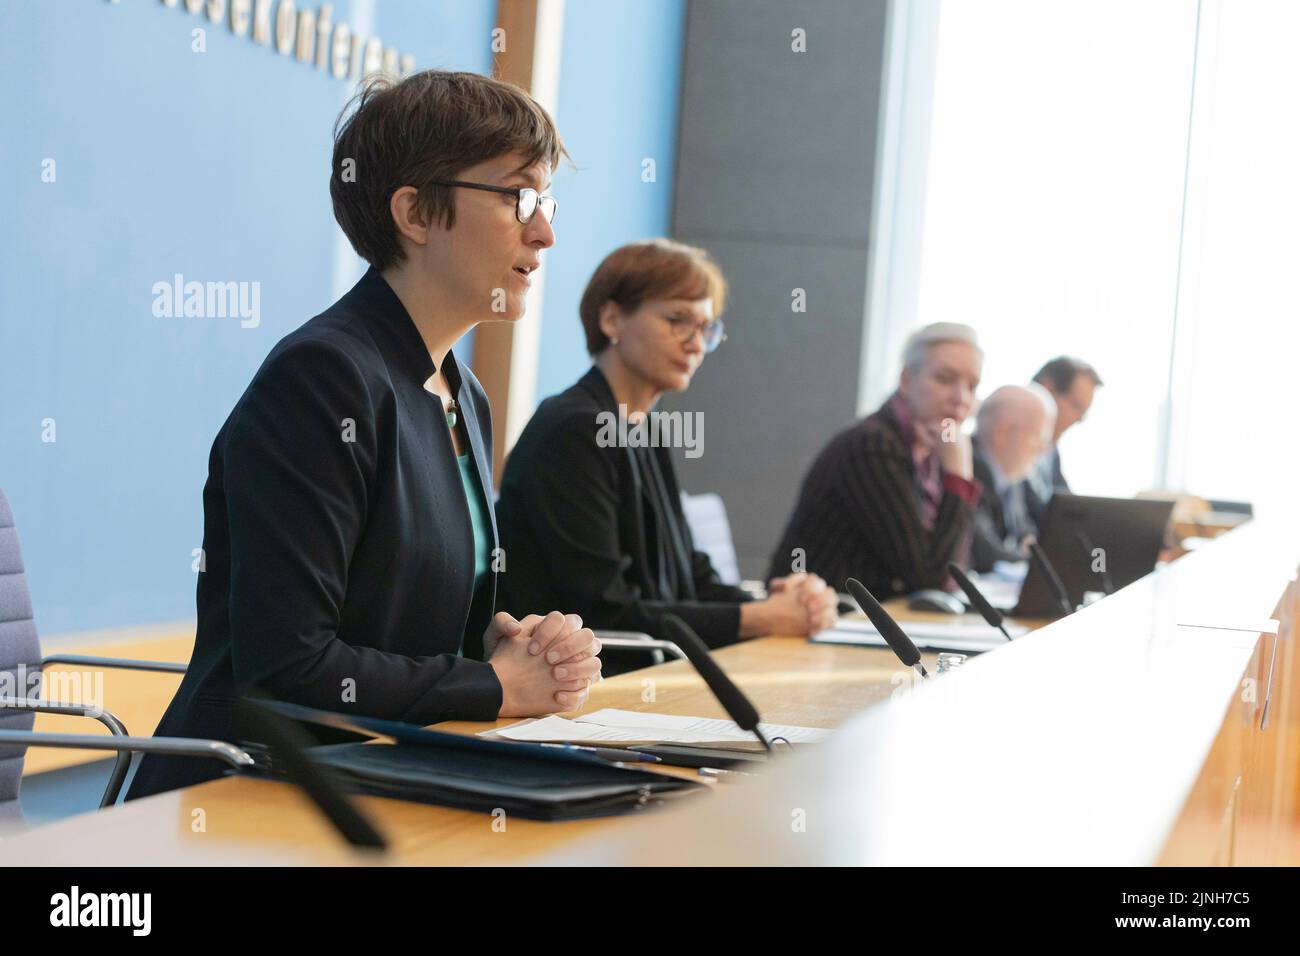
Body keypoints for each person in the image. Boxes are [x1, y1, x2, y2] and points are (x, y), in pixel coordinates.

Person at [128, 70, 601, 800]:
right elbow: (288, 667)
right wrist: (488, 685)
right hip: (251, 795)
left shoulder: (461, 390)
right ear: (414, 211)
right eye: (520, 197)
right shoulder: (323, 376)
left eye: (547, 202)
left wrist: (510, 649)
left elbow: (402, 628)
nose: (545, 230)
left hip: (387, 771)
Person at [495, 239, 837, 665]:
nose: (696, 344)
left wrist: (782, 606)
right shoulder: (575, 430)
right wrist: (762, 618)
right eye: (679, 320)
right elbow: (607, 612)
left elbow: (689, 577)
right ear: (612, 319)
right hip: (585, 685)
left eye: (707, 329)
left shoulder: (645, 428)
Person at [768, 322, 983, 598]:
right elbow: (930, 577)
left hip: (860, 620)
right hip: (810, 623)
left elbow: (955, 567)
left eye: (972, 386)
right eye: (944, 379)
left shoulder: (929, 451)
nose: (961, 398)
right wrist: (959, 476)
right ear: (906, 380)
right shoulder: (873, 445)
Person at [969, 384, 1056, 571]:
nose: (1043, 449)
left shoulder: (1012, 476)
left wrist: (1031, 545)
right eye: (1039, 437)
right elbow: (986, 553)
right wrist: (1032, 556)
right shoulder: (968, 470)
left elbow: (1025, 532)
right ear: (1002, 433)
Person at [1027, 356, 1103, 525]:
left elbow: (1069, 506)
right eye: (1076, 406)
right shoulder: (1008, 445)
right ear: (1046, 389)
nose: (1079, 420)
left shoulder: (1051, 450)